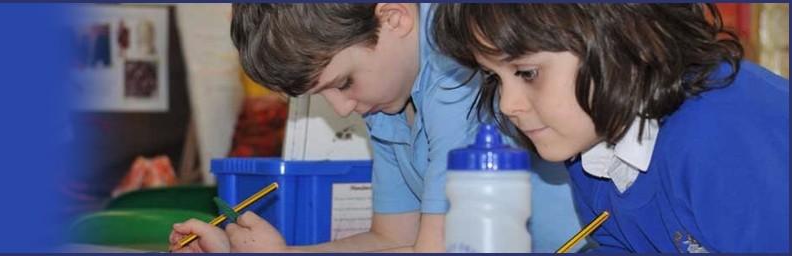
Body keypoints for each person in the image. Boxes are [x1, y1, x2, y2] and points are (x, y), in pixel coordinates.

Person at [168, 3, 582, 253]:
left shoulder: (452, 67)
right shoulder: (388, 96)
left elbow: (435, 251)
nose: (344, 108)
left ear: (394, 17)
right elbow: (390, 237)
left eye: (343, 83)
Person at [431, 3, 789, 253]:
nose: (508, 105)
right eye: (495, 77)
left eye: (527, 73)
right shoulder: (592, 154)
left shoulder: (722, 135)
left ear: (625, 37)